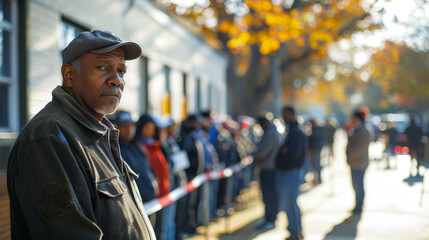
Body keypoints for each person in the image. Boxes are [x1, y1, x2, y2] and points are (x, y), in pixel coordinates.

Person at [7, 30, 155, 239]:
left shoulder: (97, 131)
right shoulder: (50, 137)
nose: (117, 80)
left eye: (121, 70)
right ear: (69, 75)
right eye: (103, 67)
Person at [108, 110, 158, 202]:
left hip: (150, 201)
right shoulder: (114, 151)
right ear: (116, 127)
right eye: (125, 126)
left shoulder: (137, 147)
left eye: (131, 126)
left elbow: (147, 169)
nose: (129, 130)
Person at [135, 114, 171, 240]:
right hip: (150, 196)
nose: (150, 130)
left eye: (152, 128)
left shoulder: (156, 145)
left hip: (163, 194)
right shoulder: (139, 148)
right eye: (147, 127)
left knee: (161, 228)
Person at [276, 106, 307, 240]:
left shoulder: (296, 133)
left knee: (290, 202)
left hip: (291, 172)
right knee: (289, 202)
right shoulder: (291, 131)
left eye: (285, 115)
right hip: (289, 172)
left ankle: (295, 231)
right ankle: (294, 230)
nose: (283, 118)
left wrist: (285, 152)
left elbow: (293, 153)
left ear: (292, 114)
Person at [253, 116, 282, 231]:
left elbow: (261, 152)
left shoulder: (270, 134)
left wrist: (255, 152)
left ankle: (270, 219)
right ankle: (271, 218)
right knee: (271, 195)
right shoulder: (273, 132)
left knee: (269, 195)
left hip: (269, 169)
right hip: (270, 168)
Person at [346, 111, 370, 213]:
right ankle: (358, 204)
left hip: (359, 163)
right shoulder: (358, 129)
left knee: (358, 185)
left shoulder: (363, 130)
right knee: (356, 185)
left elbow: (360, 148)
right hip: (356, 162)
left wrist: (349, 154)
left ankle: (359, 206)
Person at [308, 119, 325, 185]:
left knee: (316, 164)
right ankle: (316, 179)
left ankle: (318, 179)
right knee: (315, 164)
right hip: (316, 148)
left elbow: (314, 140)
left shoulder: (315, 130)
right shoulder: (318, 129)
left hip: (315, 149)